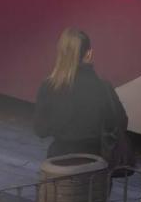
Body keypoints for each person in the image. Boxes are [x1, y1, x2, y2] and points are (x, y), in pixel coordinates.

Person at [34, 28, 128, 159]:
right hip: (95, 161)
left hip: (59, 161)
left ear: (61, 53)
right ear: (89, 54)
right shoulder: (103, 87)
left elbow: (40, 130)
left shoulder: (48, 86)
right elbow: (121, 123)